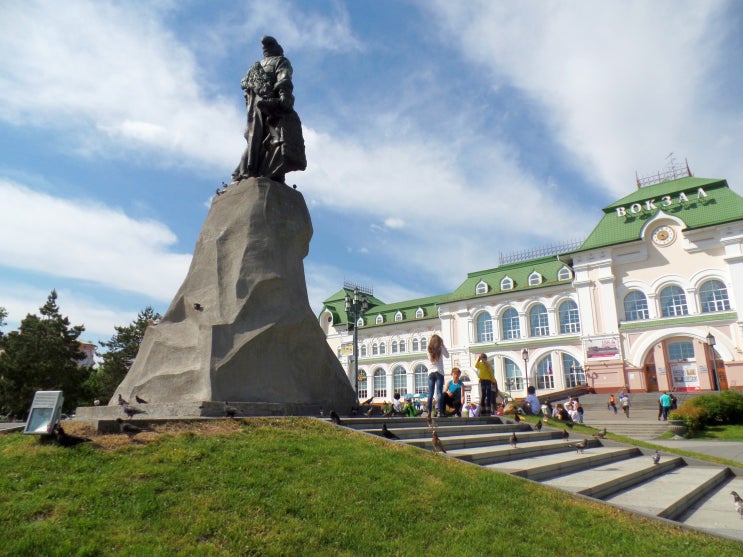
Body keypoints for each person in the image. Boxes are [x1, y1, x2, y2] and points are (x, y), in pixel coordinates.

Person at [232, 36, 307, 184]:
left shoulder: (254, 68)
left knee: (256, 140)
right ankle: (270, 172)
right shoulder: (281, 61)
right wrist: (284, 97)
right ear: (278, 50)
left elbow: (247, 91)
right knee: (275, 138)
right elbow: (284, 80)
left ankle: (243, 172)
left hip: (254, 108)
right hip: (271, 105)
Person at [427, 334, 449, 417]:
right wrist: (443, 346)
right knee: (439, 392)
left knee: (430, 393)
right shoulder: (440, 348)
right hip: (439, 372)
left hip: (431, 372)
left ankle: (429, 412)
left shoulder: (429, 349)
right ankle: (440, 411)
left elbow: (430, 360)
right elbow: (447, 356)